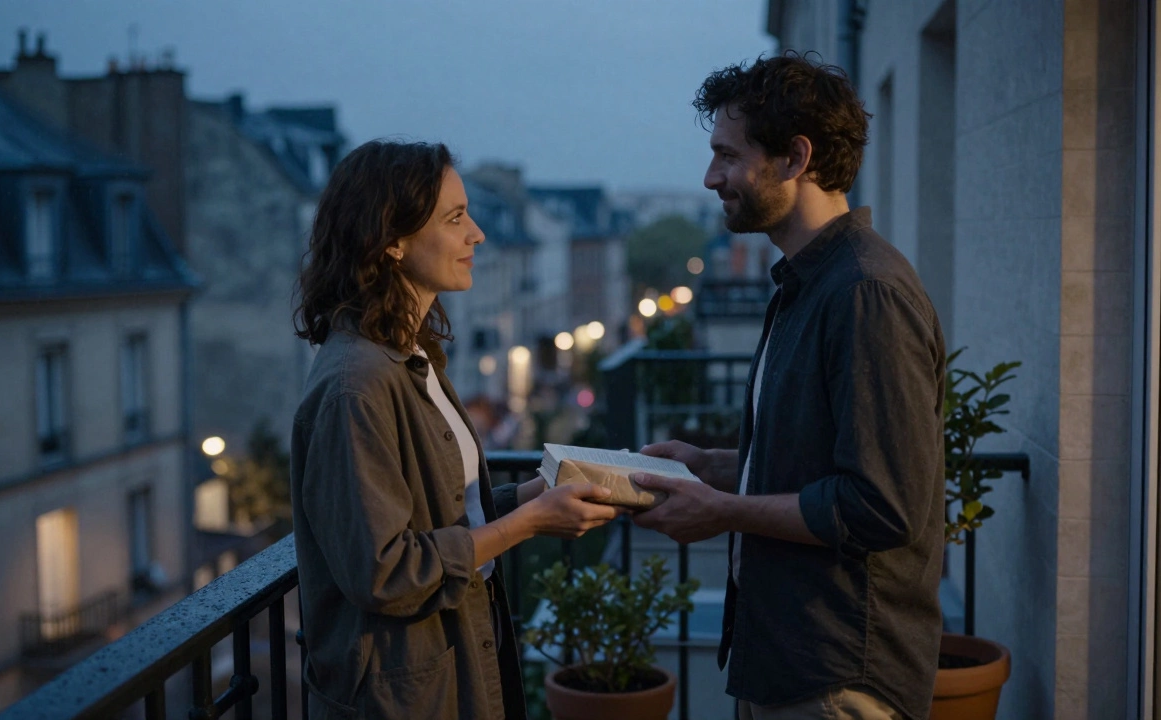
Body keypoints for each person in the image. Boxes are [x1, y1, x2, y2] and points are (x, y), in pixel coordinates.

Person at [631, 53, 946, 720]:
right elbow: (817, 458)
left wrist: (722, 510)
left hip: (835, 679)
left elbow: (879, 506)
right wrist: (711, 468)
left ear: (795, 158)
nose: (711, 177)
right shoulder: (808, 282)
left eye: (728, 155)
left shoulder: (865, 292)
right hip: (791, 664)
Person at [290, 139, 622, 720]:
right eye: (455, 218)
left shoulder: (412, 355)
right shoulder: (357, 386)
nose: (478, 235)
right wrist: (527, 524)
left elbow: (437, 515)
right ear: (391, 240)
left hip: (451, 665)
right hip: (398, 696)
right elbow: (386, 570)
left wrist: (529, 497)